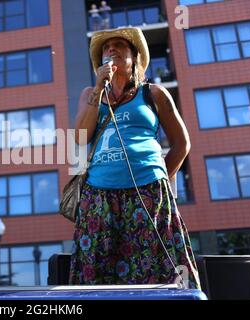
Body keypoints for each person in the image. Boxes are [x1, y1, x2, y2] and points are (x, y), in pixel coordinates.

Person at [70, 27, 201, 289]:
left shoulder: (153, 94)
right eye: (107, 48)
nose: (111, 49)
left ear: (134, 57)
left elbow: (181, 143)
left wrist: (158, 177)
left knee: (160, 268)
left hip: (149, 193)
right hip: (100, 197)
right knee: (98, 272)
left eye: (119, 45)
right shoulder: (90, 94)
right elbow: (81, 137)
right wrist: (98, 89)